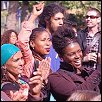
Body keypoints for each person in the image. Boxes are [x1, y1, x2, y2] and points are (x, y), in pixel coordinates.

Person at [47, 26, 101, 101]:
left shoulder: (88, 72)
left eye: (79, 51)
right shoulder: (55, 77)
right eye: (71, 54)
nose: (78, 56)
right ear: (61, 56)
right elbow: (77, 95)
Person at [16, 2, 52, 101]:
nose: (48, 44)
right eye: (43, 40)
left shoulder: (45, 60)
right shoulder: (29, 60)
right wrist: (34, 16)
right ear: (32, 44)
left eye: (49, 40)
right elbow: (22, 41)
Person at [38, 3, 66, 72]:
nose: (61, 22)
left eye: (62, 19)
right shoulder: (38, 38)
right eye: (57, 19)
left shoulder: (62, 39)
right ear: (47, 20)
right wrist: (33, 16)